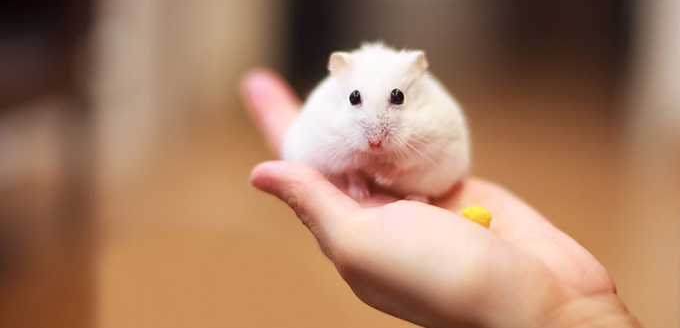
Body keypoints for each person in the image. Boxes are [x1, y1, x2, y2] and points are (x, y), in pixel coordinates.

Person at [240, 69, 643, 328]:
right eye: (357, 102)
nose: (375, 136)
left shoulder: (434, 114)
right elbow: (315, 143)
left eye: (396, 99)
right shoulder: (329, 107)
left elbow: (443, 155)